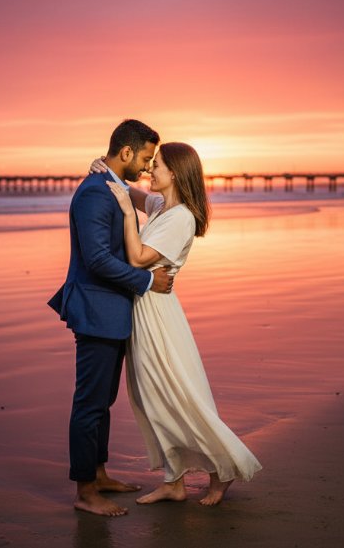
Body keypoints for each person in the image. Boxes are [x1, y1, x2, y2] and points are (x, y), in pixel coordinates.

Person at [92, 142, 261, 506]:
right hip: (142, 312)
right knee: (152, 398)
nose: (150, 171)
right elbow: (132, 192)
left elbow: (137, 259)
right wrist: (106, 170)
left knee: (177, 395)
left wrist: (124, 212)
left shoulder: (181, 217)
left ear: (176, 174)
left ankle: (222, 472)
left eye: (158, 166)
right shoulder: (160, 206)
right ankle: (174, 480)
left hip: (158, 317)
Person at [47, 119, 175, 517]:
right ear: (125, 152)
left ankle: (99, 474)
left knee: (103, 399)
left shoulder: (113, 187)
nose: (147, 166)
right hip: (96, 311)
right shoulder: (94, 196)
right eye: (145, 157)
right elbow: (98, 259)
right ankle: (85, 491)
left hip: (113, 311)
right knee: (89, 402)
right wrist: (146, 280)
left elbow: (139, 200)